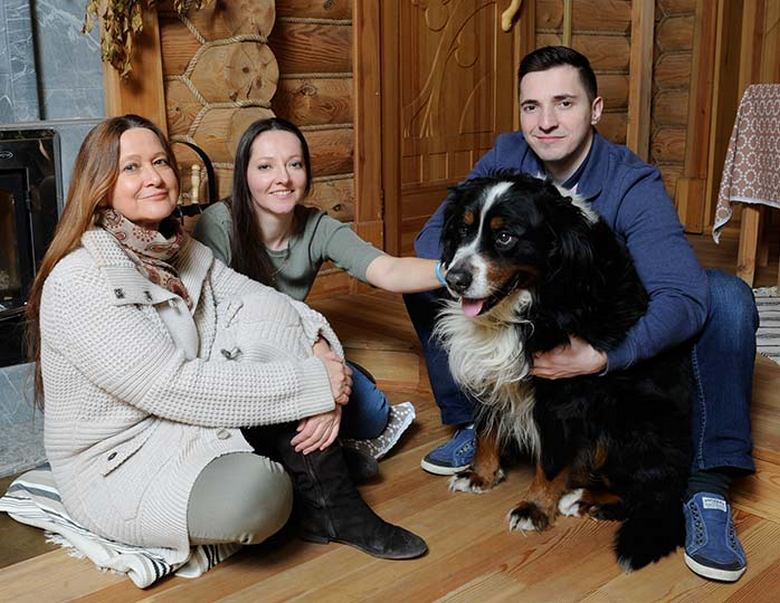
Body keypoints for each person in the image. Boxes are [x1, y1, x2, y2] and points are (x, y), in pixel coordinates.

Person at [405, 46, 757, 582]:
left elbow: (682, 298)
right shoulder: (507, 155)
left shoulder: (630, 182)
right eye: (531, 106)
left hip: (606, 319)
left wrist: (602, 356)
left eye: (564, 103)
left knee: (726, 296)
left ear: (594, 109)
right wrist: (472, 265)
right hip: (528, 311)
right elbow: (434, 237)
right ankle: (473, 422)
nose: (545, 122)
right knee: (431, 278)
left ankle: (707, 484)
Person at [26, 114, 427, 562]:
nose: (154, 177)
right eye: (131, 167)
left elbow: (268, 302)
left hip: (179, 420)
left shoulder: (177, 249)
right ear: (100, 186)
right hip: (120, 460)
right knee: (258, 497)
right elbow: (171, 386)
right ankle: (309, 479)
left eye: (160, 162)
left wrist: (319, 354)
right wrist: (314, 385)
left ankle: (335, 504)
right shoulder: (81, 279)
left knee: (271, 339)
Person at [193, 117, 445, 461]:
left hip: (295, 346)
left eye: (294, 164)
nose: (283, 178)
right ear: (244, 175)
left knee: (372, 415)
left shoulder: (317, 227)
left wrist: (451, 272)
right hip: (237, 356)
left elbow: (387, 269)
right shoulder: (218, 223)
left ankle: (342, 400)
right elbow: (219, 311)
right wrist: (320, 352)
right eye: (266, 167)